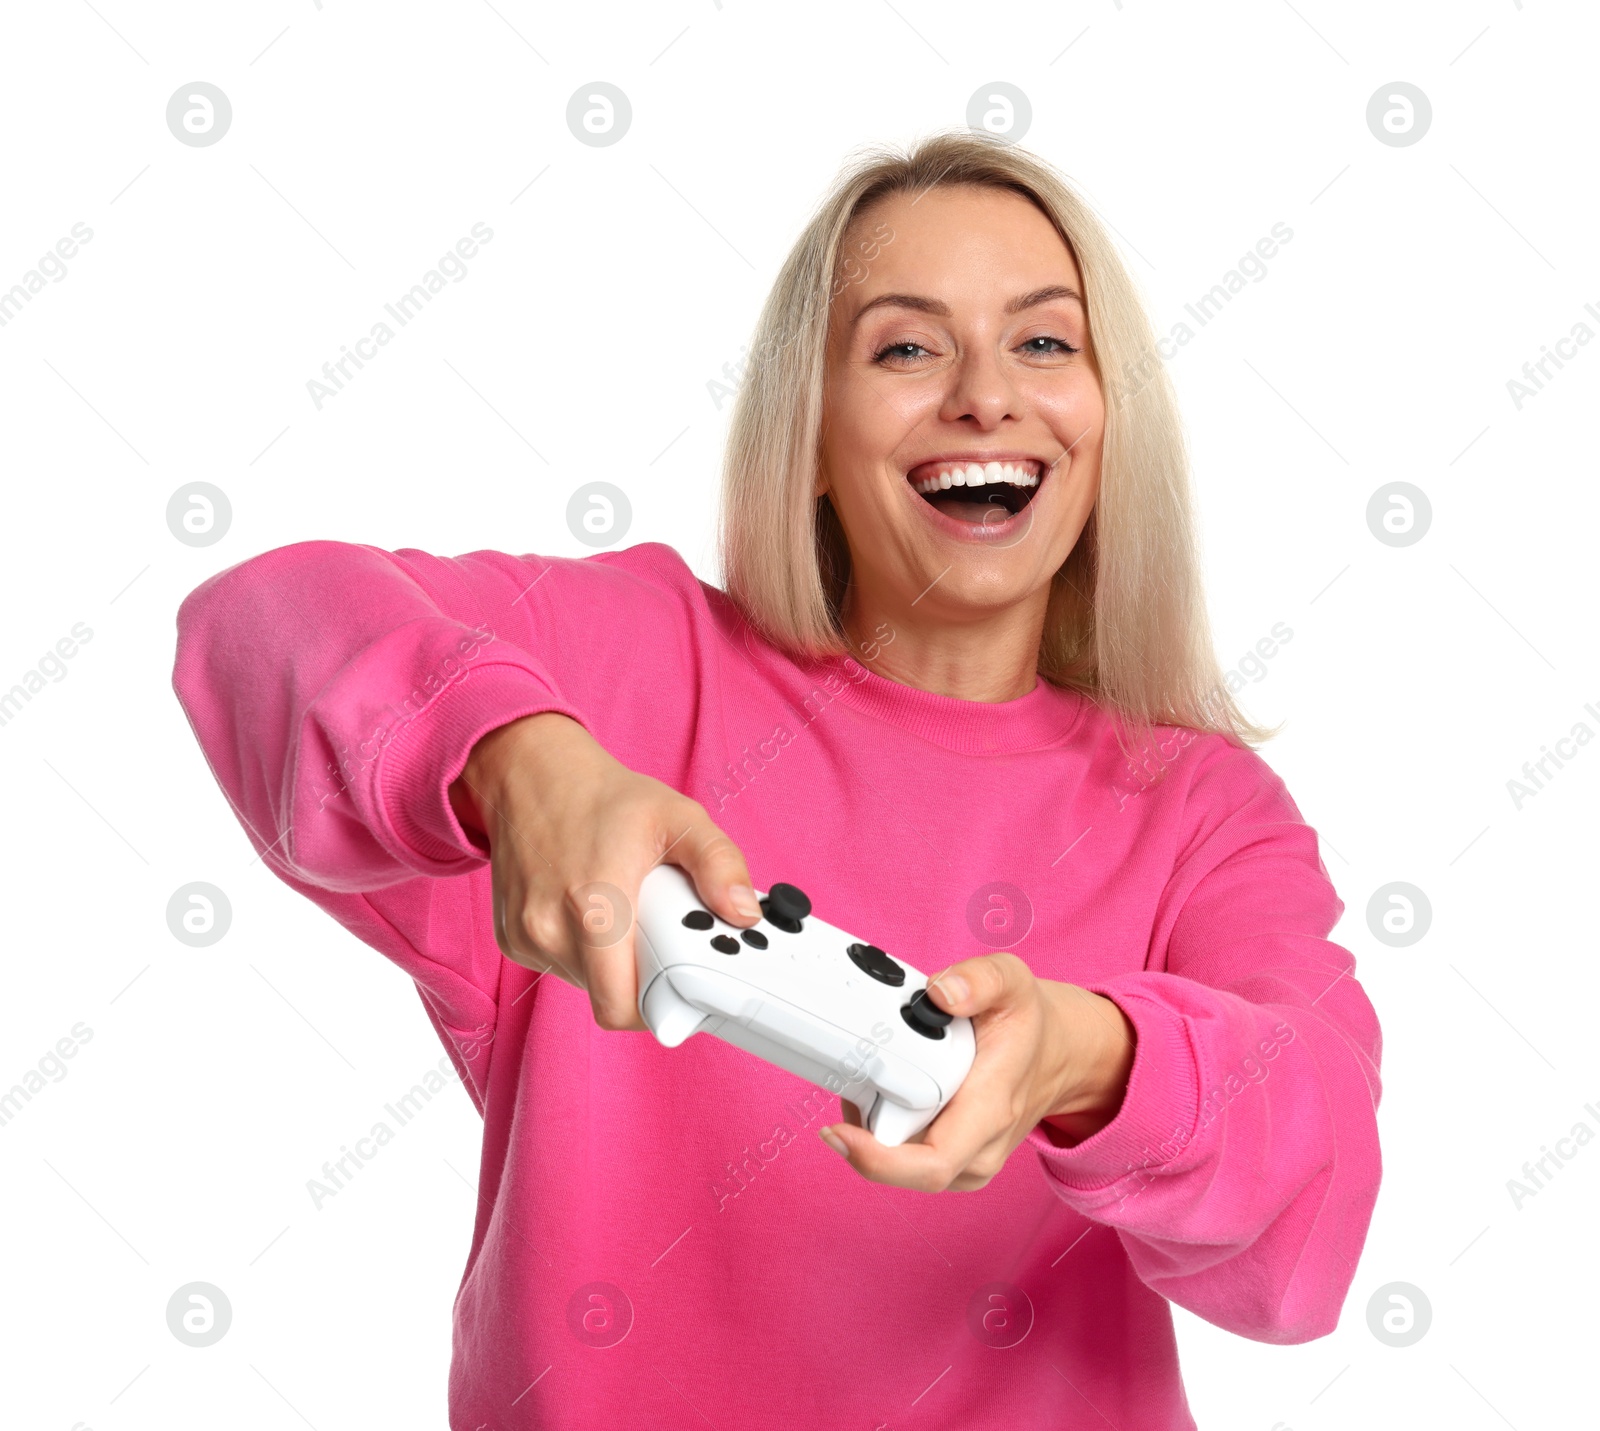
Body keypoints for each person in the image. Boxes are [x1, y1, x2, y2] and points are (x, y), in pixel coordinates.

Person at [172, 130, 1381, 1430]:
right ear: (807, 432)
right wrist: (526, 761)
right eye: (907, 347)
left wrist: (1084, 1059)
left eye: (1043, 342)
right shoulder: (632, 666)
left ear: (1109, 417)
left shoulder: (1201, 813)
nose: (986, 395)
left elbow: (1308, 1223)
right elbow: (257, 623)